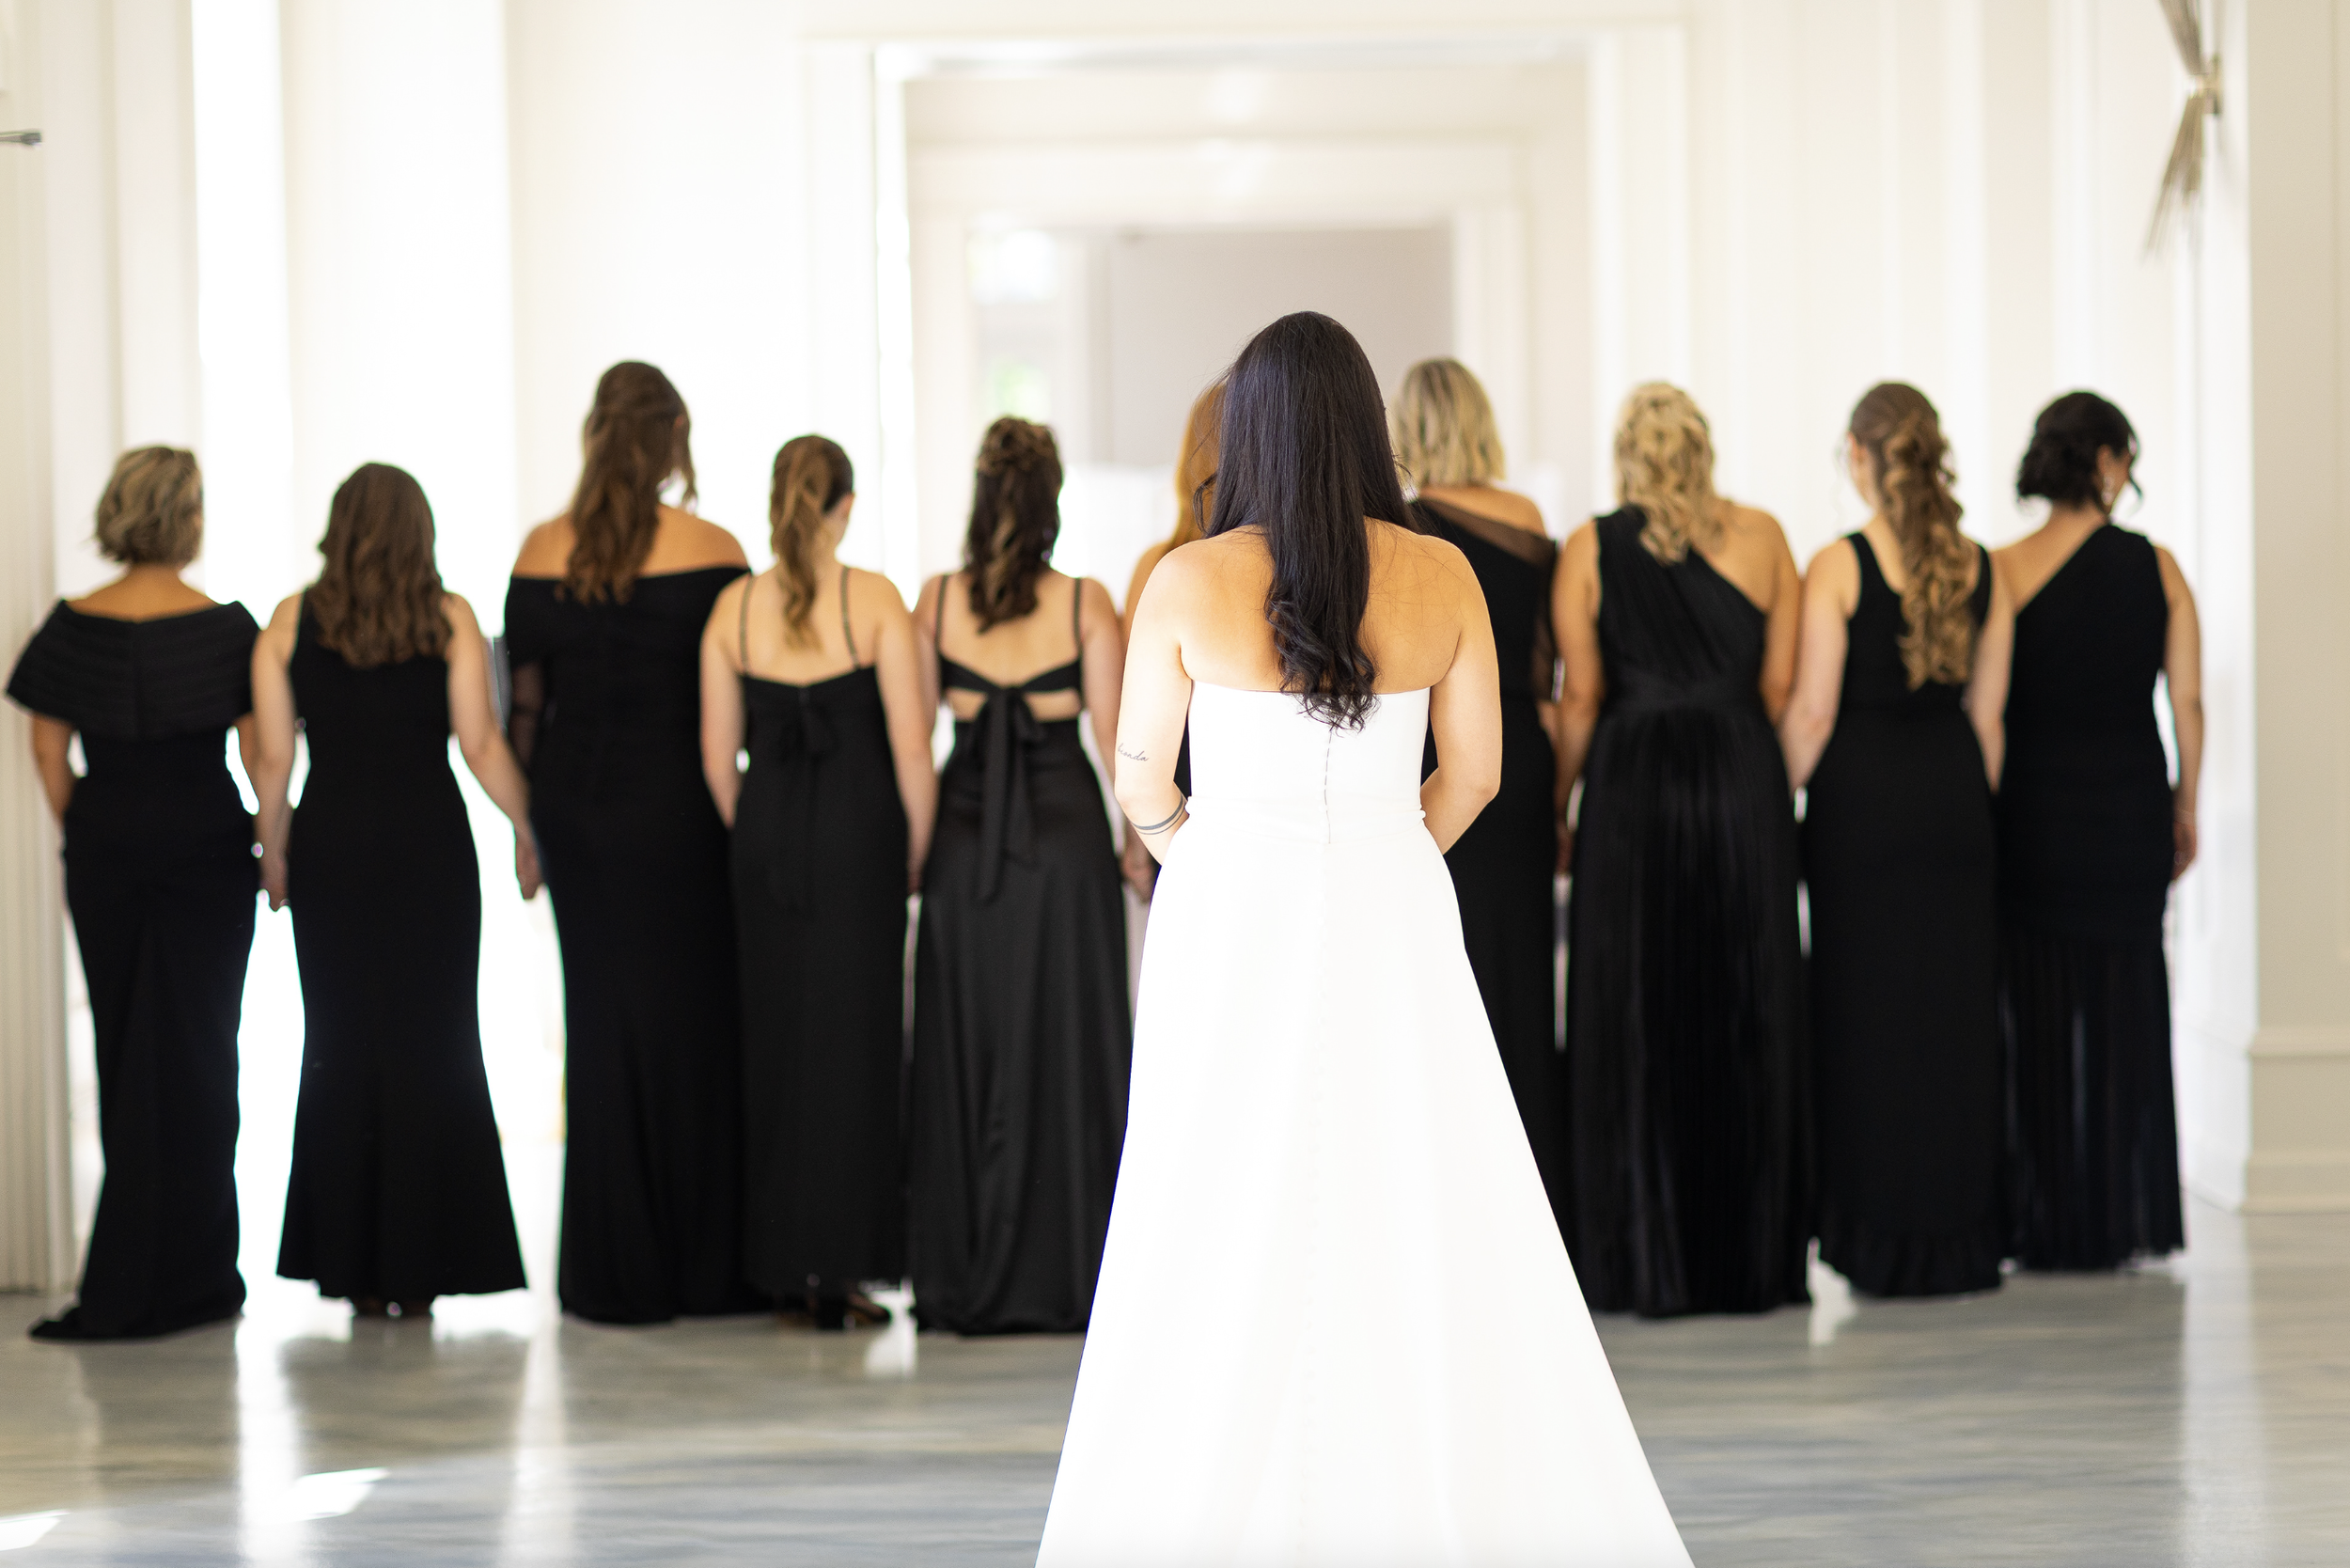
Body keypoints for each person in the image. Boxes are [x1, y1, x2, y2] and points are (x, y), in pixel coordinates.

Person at [1039, 312, 1692, 1563]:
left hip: (1230, 913)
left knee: (1214, 1193)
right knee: (1420, 1178)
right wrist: (1382, 855)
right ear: (1367, 429)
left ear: (1252, 433)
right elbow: (1484, 774)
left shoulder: (1184, 579)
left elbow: (1139, 782)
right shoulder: (1441, 574)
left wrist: (1214, 856)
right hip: (1394, 900)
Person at [506, 362, 759, 1325]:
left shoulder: (539, 551)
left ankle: (611, 1272)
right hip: (678, 811)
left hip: (575, 810)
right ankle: (704, 1268)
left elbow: (524, 709)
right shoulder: (715, 548)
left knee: (600, 1030)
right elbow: (728, 709)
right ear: (671, 443)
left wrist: (529, 828)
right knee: (696, 1026)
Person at [251, 463, 532, 1318]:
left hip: (331, 847)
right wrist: (529, 828)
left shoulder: (291, 621)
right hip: (429, 853)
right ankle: (426, 1265)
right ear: (422, 531)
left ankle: (355, 1270)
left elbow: (272, 759)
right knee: (437, 1044)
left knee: (338, 1044)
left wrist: (274, 853)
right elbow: (480, 745)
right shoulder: (449, 617)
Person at [1553, 384, 1810, 1317]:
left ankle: (1634, 1253)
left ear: (1627, 453)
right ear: (1703, 449)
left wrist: (1556, 802)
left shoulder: (1589, 547)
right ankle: (1750, 1258)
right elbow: (1779, 688)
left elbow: (1578, 697)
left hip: (1631, 785)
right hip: (1741, 774)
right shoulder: (1768, 537)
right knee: (1746, 1003)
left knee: (1636, 1009)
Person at [8, 448, 258, 1341]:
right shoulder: (229, 628)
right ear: (188, 517)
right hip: (209, 850)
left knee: (124, 1052)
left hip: (108, 849)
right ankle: (203, 1276)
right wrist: (274, 842)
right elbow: (263, 752)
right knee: (202, 1054)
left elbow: (47, 753)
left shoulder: (73, 626)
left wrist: (92, 829)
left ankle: (126, 1278)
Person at [1782, 382, 2015, 1298]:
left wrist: (1770, 800)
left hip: (1858, 815)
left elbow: (1810, 713)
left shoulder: (1838, 566)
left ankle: (1874, 1237)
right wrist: (1960, 808)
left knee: (1863, 1020)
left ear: (1859, 456)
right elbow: (1988, 721)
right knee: (1954, 1023)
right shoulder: (1981, 566)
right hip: (1956, 805)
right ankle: (1958, 1239)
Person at [701, 435, 936, 1329]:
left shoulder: (731, 610)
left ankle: (782, 1271)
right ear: (843, 506)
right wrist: (913, 847)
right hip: (859, 836)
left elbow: (718, 764)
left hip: (765, 839)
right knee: (858, 1043)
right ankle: (845, 1271)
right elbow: (911, 748)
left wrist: (764, 835)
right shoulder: (871, 598)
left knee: (775, 1044)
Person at [906, 416, 1135, 1336]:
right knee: (1069, 1042)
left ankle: (965, 1275)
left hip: (964, 846)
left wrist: (915, 858)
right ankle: (1073, 1272)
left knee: (969, 1043)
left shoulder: (935, 601)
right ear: (1052, 501)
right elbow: (1122, 750)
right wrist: (1139, 844)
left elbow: (915, 748)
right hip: (1068, 846)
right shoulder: (1086, 603)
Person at [1993, 392, 2201, 1270]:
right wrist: (2186, 803)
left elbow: (1989, 712)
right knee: (2125, 1009)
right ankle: (2118, 1215)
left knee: (2036, 1010)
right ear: (2109, 462)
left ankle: (2043, 1215)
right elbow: (2185, 701)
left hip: (2034, 810)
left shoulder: (2002, 569)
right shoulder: (2158, 568)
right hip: (2126, 809)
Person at [1392, 356, 1568, 1232]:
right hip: (1520, 760)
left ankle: (1449, 1189)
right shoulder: (1530, 519)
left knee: (1435, 965)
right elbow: (1546, 673)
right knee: (1522, 971)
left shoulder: (1399, 526)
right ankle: (1527, 1193)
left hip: (1432, 760)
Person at [1120, 381, 1224, 897]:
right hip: (1218, 789)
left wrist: (1136, 838)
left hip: (1173, 794)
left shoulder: (1156, 567)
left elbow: (1130, 711)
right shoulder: (1267, 568)